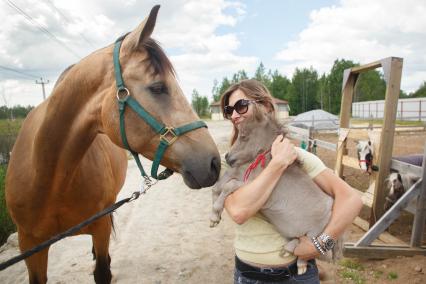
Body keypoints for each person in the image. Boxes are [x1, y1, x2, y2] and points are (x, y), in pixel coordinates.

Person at [219, 79, 363, 283]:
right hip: (248, 276)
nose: (234, 115)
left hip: (298, 277)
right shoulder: (228, 163)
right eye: (229, 110)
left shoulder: (298, 156)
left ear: (266, 107)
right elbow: (239, 212)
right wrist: (277, 163)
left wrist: (319, 245)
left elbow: (351, 199)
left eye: (241, 106)